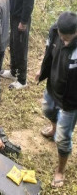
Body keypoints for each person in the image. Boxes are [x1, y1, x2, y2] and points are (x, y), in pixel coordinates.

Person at [36, 11, 77, 188]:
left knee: (63, 138)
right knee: (48, 110)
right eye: (63, 38)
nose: (65, 42)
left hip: (71, 99)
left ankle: (60, 171)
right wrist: (41, 71)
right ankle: (53, 128)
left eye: (69, 39)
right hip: (53, 86)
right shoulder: (55, 32)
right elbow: (49, 54)